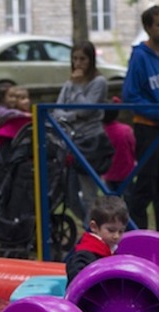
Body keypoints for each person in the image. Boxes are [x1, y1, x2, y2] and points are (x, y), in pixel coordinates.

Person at [122, 5, 159, 238]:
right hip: (149, 127)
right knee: (146, 184)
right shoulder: (139, 57)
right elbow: (131, 95)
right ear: (147, 28)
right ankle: (136, 233)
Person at [54, 41, 109, 221]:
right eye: (75, 59)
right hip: (70, 140)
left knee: (89, 192)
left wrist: (77, 88)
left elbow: (87, 109)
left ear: (91, 60)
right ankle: (90, 224)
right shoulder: (69, 83)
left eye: (82, 59)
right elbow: (57, 110)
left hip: (90, 141)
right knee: (69, 193)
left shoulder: (98, 82)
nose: (78, 63)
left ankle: (92, 232)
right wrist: (72, 115)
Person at [65, 195, 129, 284]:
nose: (116, 236)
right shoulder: (86, 253)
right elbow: (76, 277)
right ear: (94, 227)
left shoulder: (110, 250)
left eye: (121, 231)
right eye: (111, 230)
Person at [102, 97, 136, 200]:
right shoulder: (126, 130)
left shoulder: (101, 133)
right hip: (126, 172)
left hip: (109, 173)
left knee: (111, 201)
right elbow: (133, 147)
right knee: (129, 200)